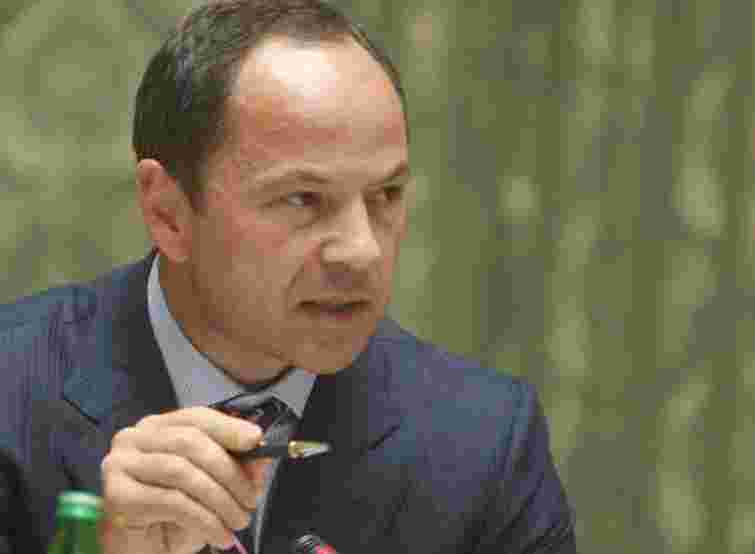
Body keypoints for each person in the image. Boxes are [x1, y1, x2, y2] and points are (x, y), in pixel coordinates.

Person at [0, 1, 576, 552]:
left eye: (386, 194)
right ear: (168, 213)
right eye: (303, 199)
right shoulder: (12, 392)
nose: (362, 251)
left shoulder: (485, 444)